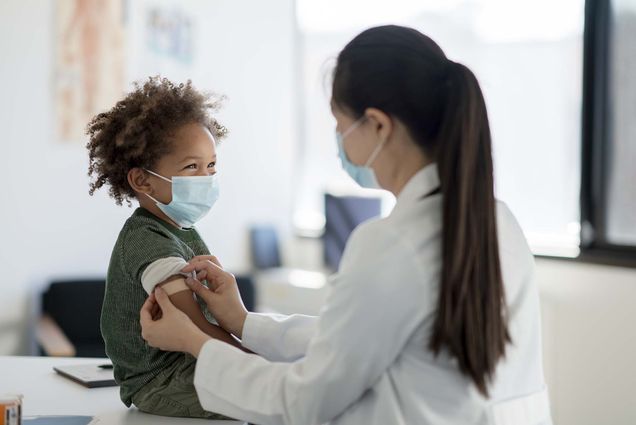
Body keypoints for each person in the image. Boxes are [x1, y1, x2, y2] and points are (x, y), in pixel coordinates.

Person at [140, 25, 552, 425]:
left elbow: (303, 401)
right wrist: (243, 322)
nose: (340, 143)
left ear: (378, 125)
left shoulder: (391, 243)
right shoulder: (499, 221)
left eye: (340, 126)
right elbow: (355, 339)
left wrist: (194, 343)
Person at [87, 77, 243, 419]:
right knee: (270, 399)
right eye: (191, 167)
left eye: (211, 165)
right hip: (161, 381)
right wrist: (255, 365)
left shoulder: (180, 229)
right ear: (142, 181)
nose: (206, 178)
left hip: (192, 363)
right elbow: (195, 326)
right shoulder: (148, 240)